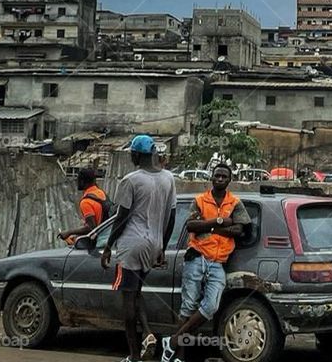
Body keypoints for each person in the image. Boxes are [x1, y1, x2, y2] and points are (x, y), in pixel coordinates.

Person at [161, 163, 249, 362]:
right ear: (212, 178)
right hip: (196, 257)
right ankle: (179, 357)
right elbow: (191, 225)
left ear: (229, 180)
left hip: (218, 262)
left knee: (210, 306)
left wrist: (207, 227)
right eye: (217, 176)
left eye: (223, 177)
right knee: (188, 306)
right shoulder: (200, 200)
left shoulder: (235, 203)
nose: (219, 179)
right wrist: (218, 222)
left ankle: (173, 342)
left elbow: (239, 230)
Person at [101, 135, 176, 362]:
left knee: (127, 301)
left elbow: (121, 217)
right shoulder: (168, 178)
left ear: (135, 155)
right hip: (154, 243)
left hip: (131, 244)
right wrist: (162, 245)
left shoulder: (131, 180)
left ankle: (133, 356)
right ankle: (149, 334)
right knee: (137, 292)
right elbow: (171, 216)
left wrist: (107, 246)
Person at [58, 168, 109, 244]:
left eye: (78, 180)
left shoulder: (86, 202)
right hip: (107, 236)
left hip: (99, 242)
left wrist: (69, 232)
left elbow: (91, 228)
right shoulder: (101, 193)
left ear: (82, 181)